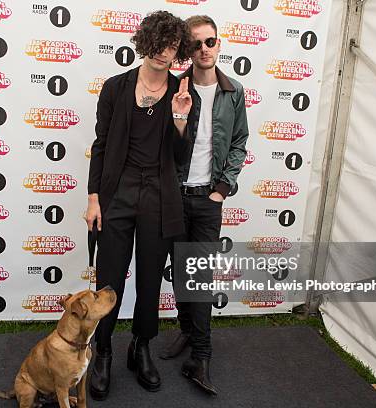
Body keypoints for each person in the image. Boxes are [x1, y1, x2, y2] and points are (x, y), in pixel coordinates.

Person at [84, 10, 193, 400]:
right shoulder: (115, 88)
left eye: (174, 46)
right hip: (118, 191)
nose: (166, 52)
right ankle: (104, 351)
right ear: (146, 41)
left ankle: (141, 345)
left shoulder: (183, 91)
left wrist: (180, 118)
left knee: (149, 277)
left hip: (160, 195)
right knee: (109, 277)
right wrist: (94, 197)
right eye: (161, 44)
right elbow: (100, 144)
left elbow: (182, 156)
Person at [160, 15, 249, 396]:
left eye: (209, 42)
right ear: (187, 50)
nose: (204, 49)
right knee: (181, 273)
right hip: (173, 196)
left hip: (208, 200)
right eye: (195, 44)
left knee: (199, 277)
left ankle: (201, 356)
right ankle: (185, 330)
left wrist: (223, 188)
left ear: (219, 43)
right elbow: (163, 140)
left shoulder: (234, 91)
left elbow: (240, 141)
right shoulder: (173, 88)